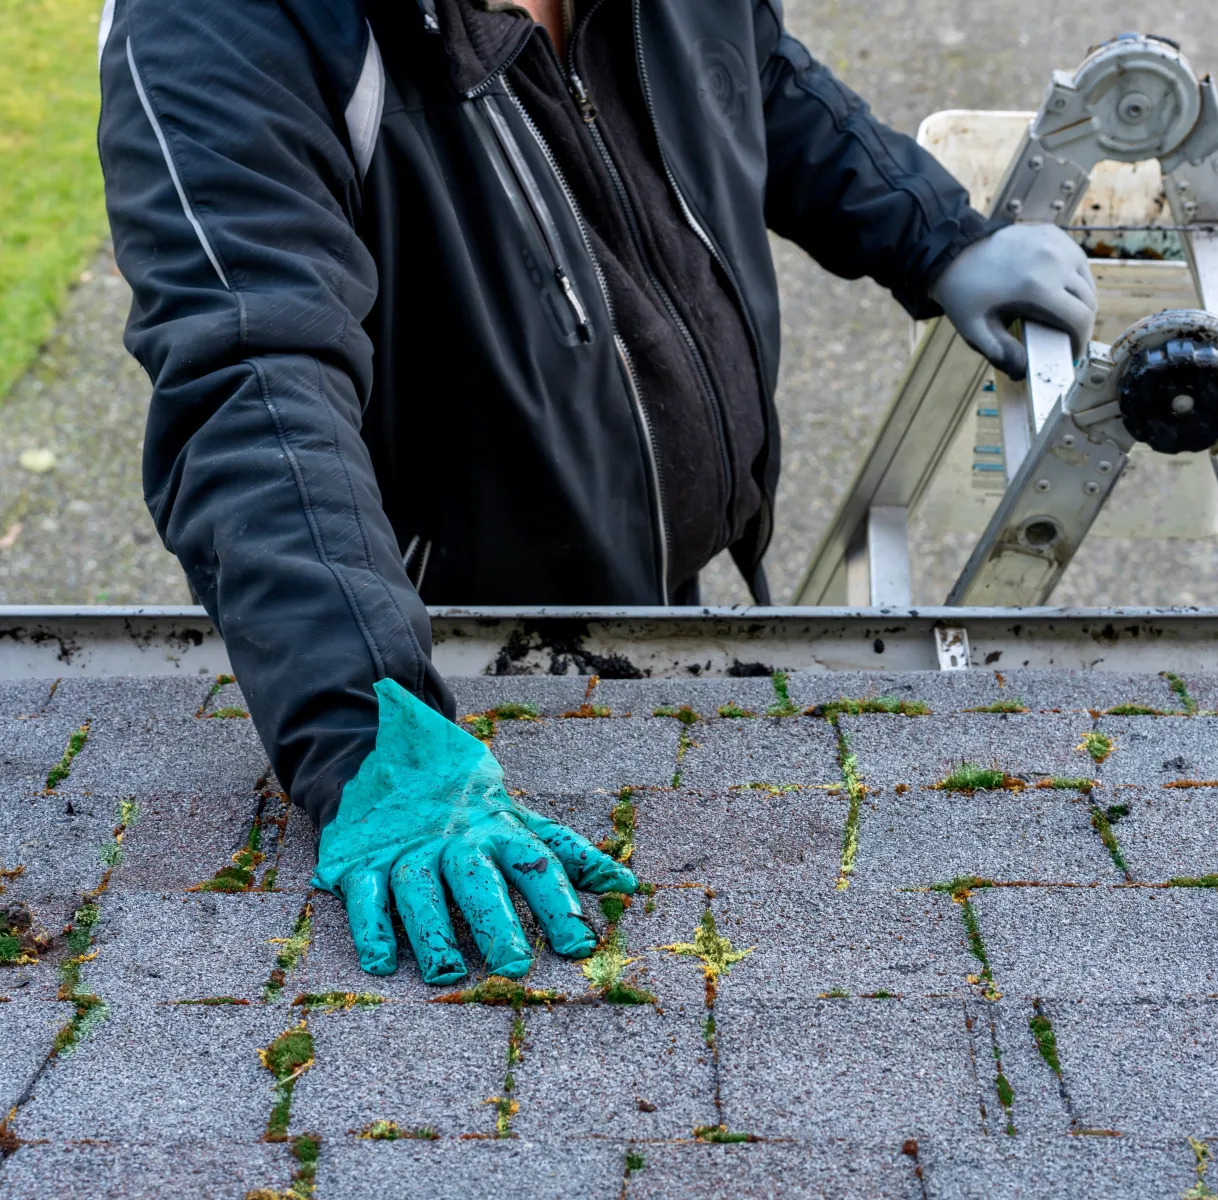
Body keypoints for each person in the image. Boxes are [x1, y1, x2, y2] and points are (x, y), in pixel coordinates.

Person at [97, 0, 1098, 981]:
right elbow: (252, 379)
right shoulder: (218, 24)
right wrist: (369, 725)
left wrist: (932, 234)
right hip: (445, 677)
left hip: (661, 595)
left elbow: (746, 74)